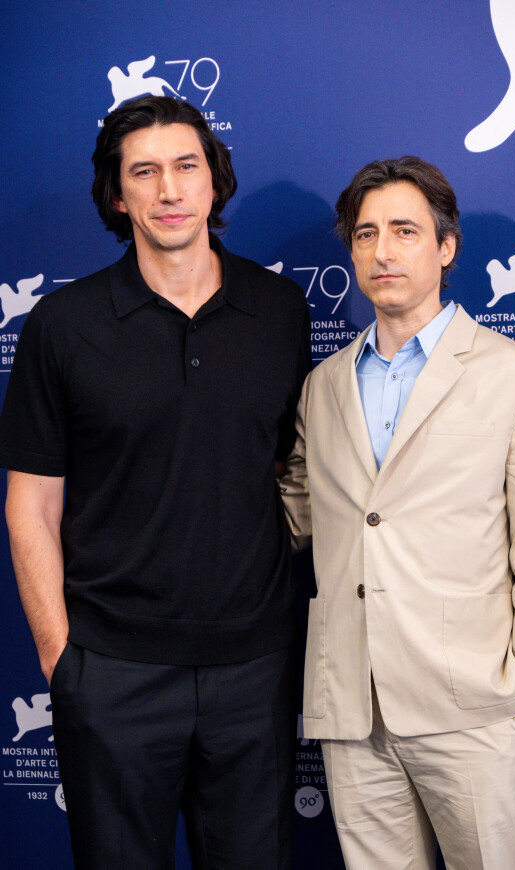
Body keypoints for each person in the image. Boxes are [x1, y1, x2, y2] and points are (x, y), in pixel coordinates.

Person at [0, 96, 311, 870]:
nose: (168, 189)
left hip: (254, 670)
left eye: (186, 167)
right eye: (144, 172)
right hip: (111, 672)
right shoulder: (62, 326)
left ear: (214, 182)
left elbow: (283, 468)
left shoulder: (278, 310)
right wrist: (60, 659)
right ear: (118, 194)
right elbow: (31, 503)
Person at [281, 156, 515, 870]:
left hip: (473, 708)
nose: (383, 251)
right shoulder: (323, 386)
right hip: (352, 708)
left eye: (405, 231)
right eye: (365, 234)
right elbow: (295, 519)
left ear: (445, 247)